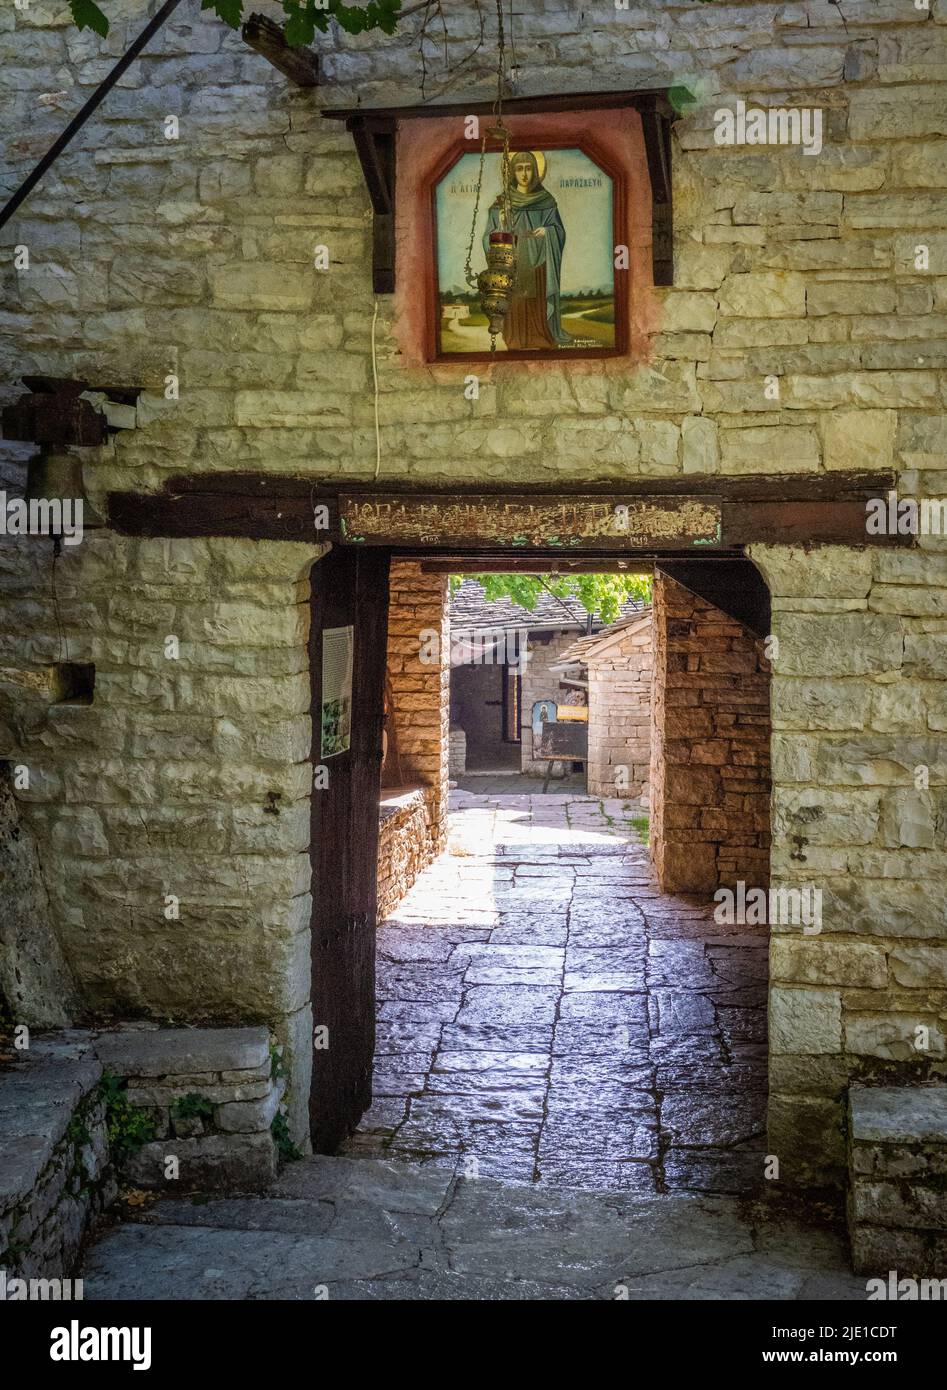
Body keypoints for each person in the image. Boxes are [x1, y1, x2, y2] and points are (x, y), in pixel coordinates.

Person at [484, 150, 572, 350]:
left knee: (536, 303)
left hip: (538, 263)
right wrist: (502, 224)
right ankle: (515, 338)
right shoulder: (501, 203)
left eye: (529, 168)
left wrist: (547, 232)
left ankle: (539, 336)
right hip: (512, 263)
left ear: (536, 171)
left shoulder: (546, 201)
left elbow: (559, 232)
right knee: (515, 302)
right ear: (512, 173)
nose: (524, 174)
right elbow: (488, 235)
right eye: (519, 168)